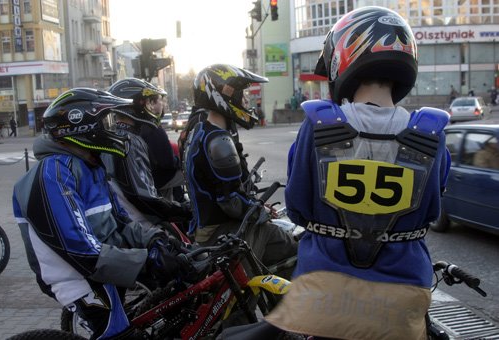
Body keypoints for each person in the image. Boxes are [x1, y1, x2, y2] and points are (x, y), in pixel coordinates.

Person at [265, 7, 451, 339]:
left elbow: (297, 207)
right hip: (402, 300)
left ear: (344, 57)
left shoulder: (317, 122)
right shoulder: (431, 132)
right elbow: (432, 211)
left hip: (324, 298)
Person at [12, 88, 191, 339]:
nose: (116, 129)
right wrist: (146, 261)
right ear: (82, 126)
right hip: (76, 278)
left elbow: (120, 222)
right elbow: (81, 251)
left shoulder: (90, 167)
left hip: (103, 268)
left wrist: (155, 241)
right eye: (109, 121)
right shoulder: (52, 174)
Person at [182, 64, 298, 279]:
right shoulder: (219, 141)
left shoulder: (201, 132)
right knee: (289, 246)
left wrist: (255, 206)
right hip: (220, 231)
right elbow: (230, 200)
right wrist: (259, 211)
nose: (245, 101)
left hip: (204, 228)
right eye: (241, 94)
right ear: (224, 94)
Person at [99, 102, 192, 236]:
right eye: (151, 102)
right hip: (141, 225)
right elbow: (144, 196)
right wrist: (183, 211)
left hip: (128, 221)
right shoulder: (130, 140)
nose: (155, 107)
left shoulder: (114, 136)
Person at [108, 78, 184, 200]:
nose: (161, 105)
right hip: (152, 197)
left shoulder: (114, 134)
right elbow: (167, 163)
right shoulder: (146, 132)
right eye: (152, 101)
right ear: (139, 104)